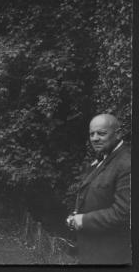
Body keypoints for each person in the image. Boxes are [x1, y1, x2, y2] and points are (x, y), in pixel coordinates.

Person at [66, 113, 131, 264]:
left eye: (101, 133)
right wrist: (75, 216)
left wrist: (82, 220)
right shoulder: (102, 159)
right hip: (90, 250)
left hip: (111, 255)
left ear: (118, 134)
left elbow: (124, 213)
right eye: (92, 134)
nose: (95, 138)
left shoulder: (127, 163)